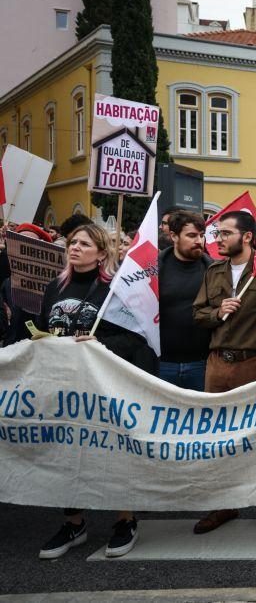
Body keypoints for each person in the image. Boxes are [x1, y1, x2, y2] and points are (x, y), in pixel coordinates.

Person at [36, 223, 156, 559]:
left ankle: (124, 519)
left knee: (114, 452)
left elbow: (137, 341)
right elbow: (46, 330)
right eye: (72, 242)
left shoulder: (116, 292)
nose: (75, 248)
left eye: (85, 244)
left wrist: (99, 342)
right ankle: (74, 522)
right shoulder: (54, 287)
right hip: (66, 385)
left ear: (102, 253)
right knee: (66, 455)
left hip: (106, 387)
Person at [191, 211, 256, 535]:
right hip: (218, 365)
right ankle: (225, 504)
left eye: (224, 233)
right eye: (217, 233)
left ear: (247, 237)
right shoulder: (213, 270)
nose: (217, 239)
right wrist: (216, 311)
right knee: (219, 438)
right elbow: (198, 314)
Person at [158, 211, 213, 391]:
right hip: (160, 364)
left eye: (202, 235)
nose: (199, 241)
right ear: (173, 236)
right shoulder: (153, 270)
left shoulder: (215, 271)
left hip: (202, 364)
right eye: (191, 235)